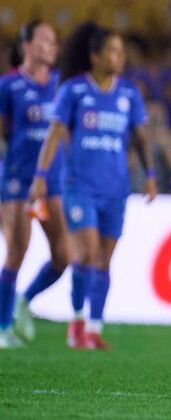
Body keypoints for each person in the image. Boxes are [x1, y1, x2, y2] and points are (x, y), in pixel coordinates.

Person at [30, 23, 157, 350]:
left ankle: (95, 327)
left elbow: (141, 137)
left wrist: (151, 175)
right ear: (96, 56)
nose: (119, 57)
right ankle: (76, 323)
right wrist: (41, 176)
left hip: (116, 188)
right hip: (79, 186)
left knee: (104, 261)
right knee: (85, 254)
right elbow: (55, 134)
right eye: (113, 51)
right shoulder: (73, 91)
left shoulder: (129, 94)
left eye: (122, 51)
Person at [0, 21, 69, 348]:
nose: (51, 46)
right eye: (44, 40)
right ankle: (2, 329)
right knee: (16, 251)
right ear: (26, 45)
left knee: (64, 255)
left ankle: (23, 300)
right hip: (18, 180)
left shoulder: (60, 86)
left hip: (51, 182)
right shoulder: (9, 86)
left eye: (54, 41)